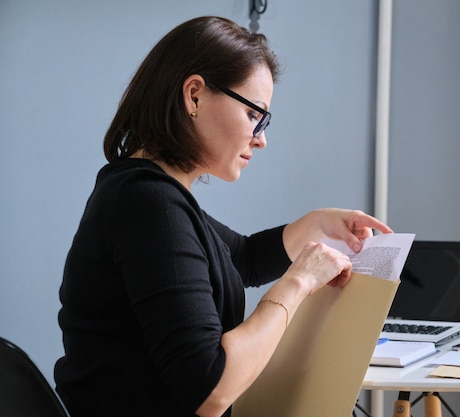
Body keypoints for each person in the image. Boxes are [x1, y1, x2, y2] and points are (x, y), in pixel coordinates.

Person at [54, 16, 392, 417]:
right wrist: (298, 283)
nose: (261, 139)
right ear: (194, 96)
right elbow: (209, 389)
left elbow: (242, 258)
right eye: (255, 115)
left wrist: (317, 224)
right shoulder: (149, 206)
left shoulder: (147, 194)